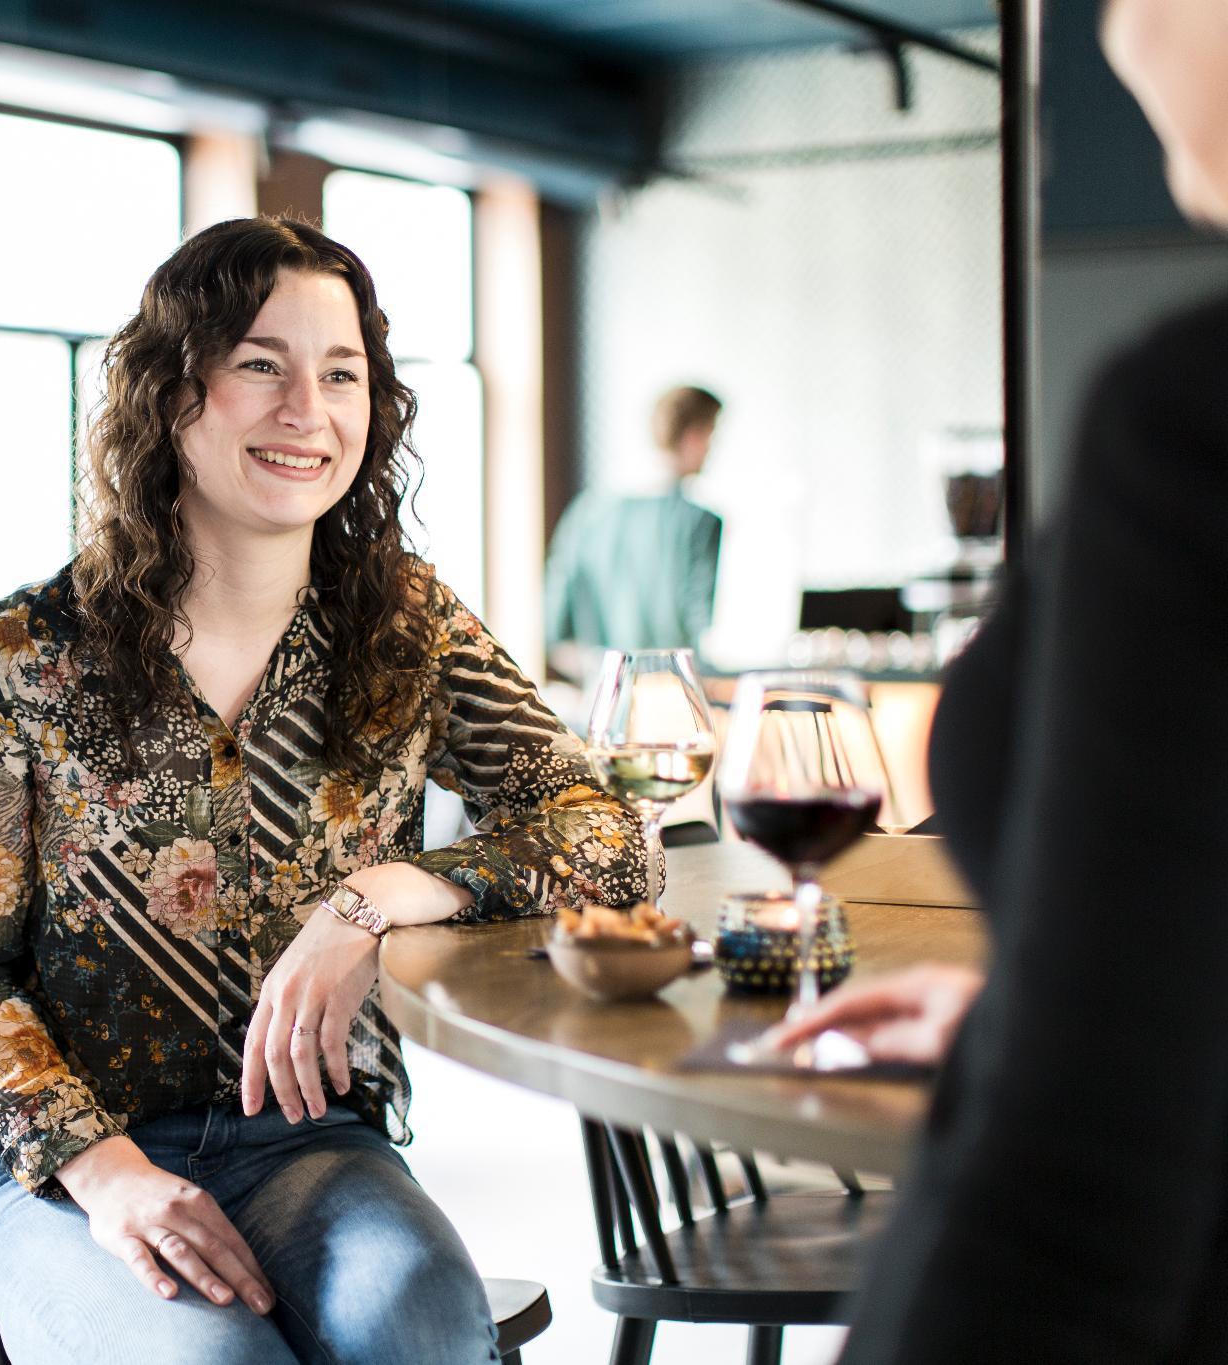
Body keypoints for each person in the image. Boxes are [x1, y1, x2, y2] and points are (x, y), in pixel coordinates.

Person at [0, 216, 653, 1364]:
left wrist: (377, 898)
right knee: (217, 1359)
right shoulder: (22, 654)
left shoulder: (405, 626)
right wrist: (108, 1177)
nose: (308, 409)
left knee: (421, 1328)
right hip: (63, 1171)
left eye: (340, 374)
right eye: (261, 365)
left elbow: (611, 839)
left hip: (311, 1143)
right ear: (171, 393)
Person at [769, 1, 1228, 1357]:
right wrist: (1050, 996)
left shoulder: (1193, 426)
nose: (1118, 32)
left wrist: (1074, 1037)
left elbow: (1072, 1193)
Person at [543, 385, 724, 679]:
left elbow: (556, 634)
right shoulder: (699, 523)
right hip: (672, 695)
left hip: (600, 695)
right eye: (712, 436)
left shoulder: (585, 514)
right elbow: (699, 634)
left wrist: (608, 675)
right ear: (694, 435)